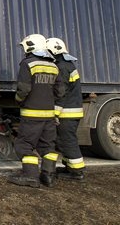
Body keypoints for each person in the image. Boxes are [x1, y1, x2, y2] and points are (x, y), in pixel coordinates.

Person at [8, 34, 64, 188]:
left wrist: (18, 100)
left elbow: (24, 89)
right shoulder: (54, 66)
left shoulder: (28, 64)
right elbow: (60, 91)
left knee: (24, 145)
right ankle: (48, 176)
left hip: (31, 114)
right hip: (49, 115)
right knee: (48, 146)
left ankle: (30, 176)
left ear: (30, 46)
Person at [46, 37, 86, 181]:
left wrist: (55, 113)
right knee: (65, 140)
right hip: (71, 111)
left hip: (67, 113)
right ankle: (70, 167)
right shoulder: (68, 64)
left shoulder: (62, 67)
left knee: (67, 141)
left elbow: (61, 93)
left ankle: (77, 172)